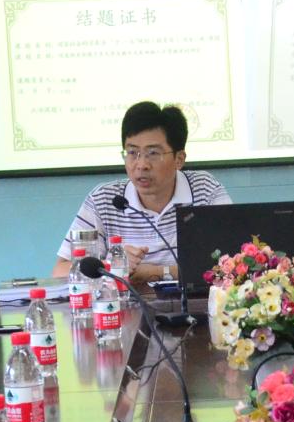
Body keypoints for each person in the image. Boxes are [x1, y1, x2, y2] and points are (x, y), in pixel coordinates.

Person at [53, 101, 231, 285]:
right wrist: (111, 266)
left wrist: (154, 272)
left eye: (153, 153)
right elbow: (60, 270)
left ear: (179, 159)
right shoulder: (104, 200)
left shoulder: (205, 190)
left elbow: (235, 263)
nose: (141, 165)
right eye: (132, 152)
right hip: (124, 303)